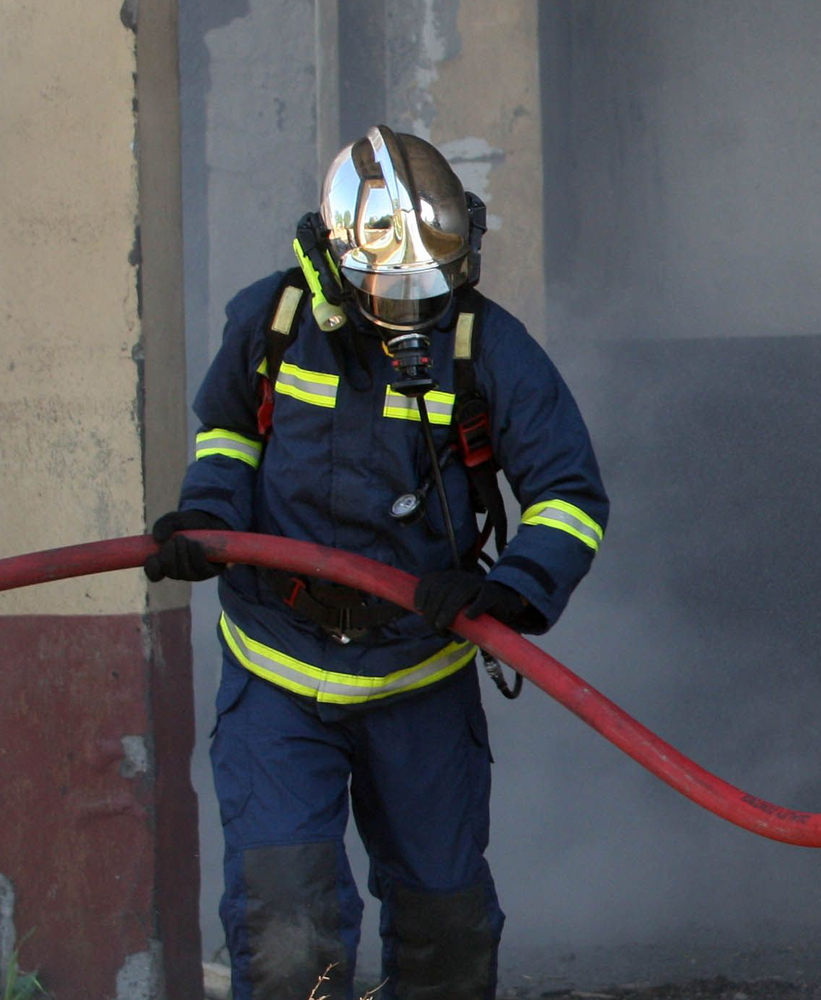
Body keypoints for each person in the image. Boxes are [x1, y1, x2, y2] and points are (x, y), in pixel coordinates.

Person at [145, 125, 608, 999]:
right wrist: (207, 516)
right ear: (334, 260)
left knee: (445, 923)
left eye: (430, 283)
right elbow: (228, 434)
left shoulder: (486, 347)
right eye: (390, 288)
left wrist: (506, 591)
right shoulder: (272, 322)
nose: (413, 306)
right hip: (276, 667)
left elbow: (569, 497)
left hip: (417, 673)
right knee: (285, 926)